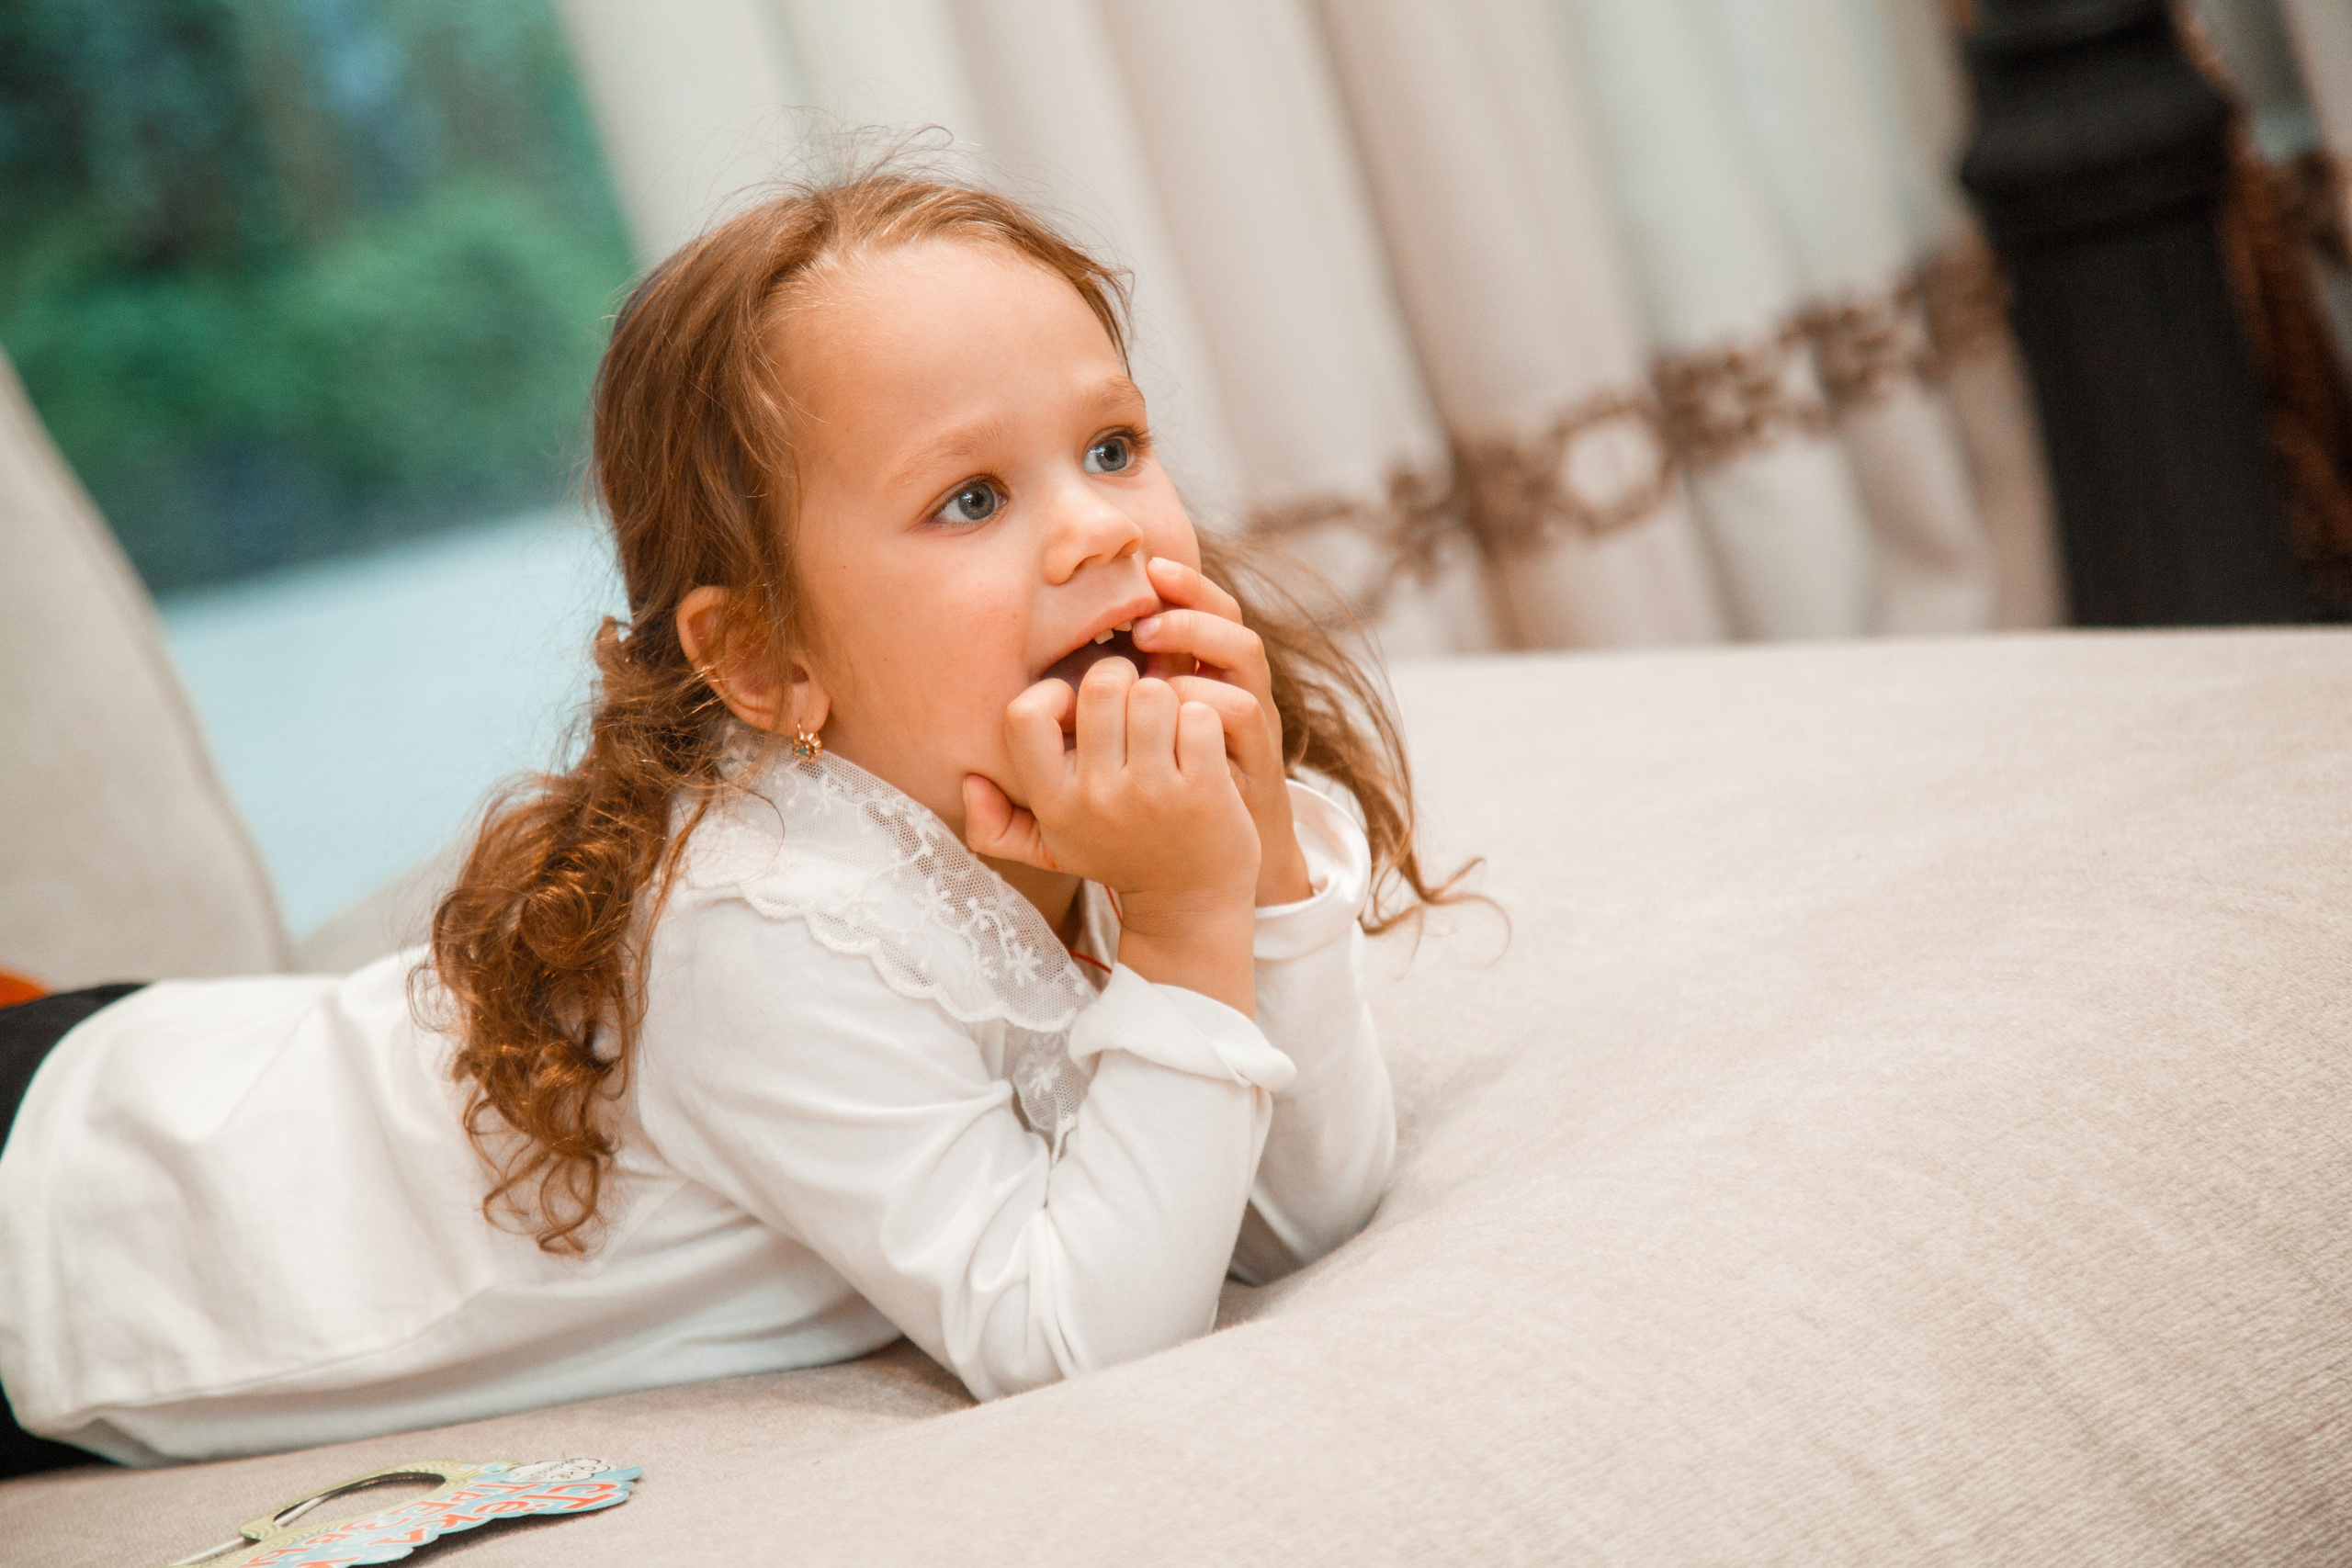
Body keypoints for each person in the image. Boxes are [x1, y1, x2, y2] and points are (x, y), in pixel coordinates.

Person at [0, 172, 1466, 1475]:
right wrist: (1184, 920)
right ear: (767, 661)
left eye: (1112, 446)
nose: (1103, 530)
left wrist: (1254, 855)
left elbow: (1296, 1218)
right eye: (970, 500)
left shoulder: (1084, 794)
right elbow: (1077, 1340)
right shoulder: (761, 925)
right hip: (72, 1222)